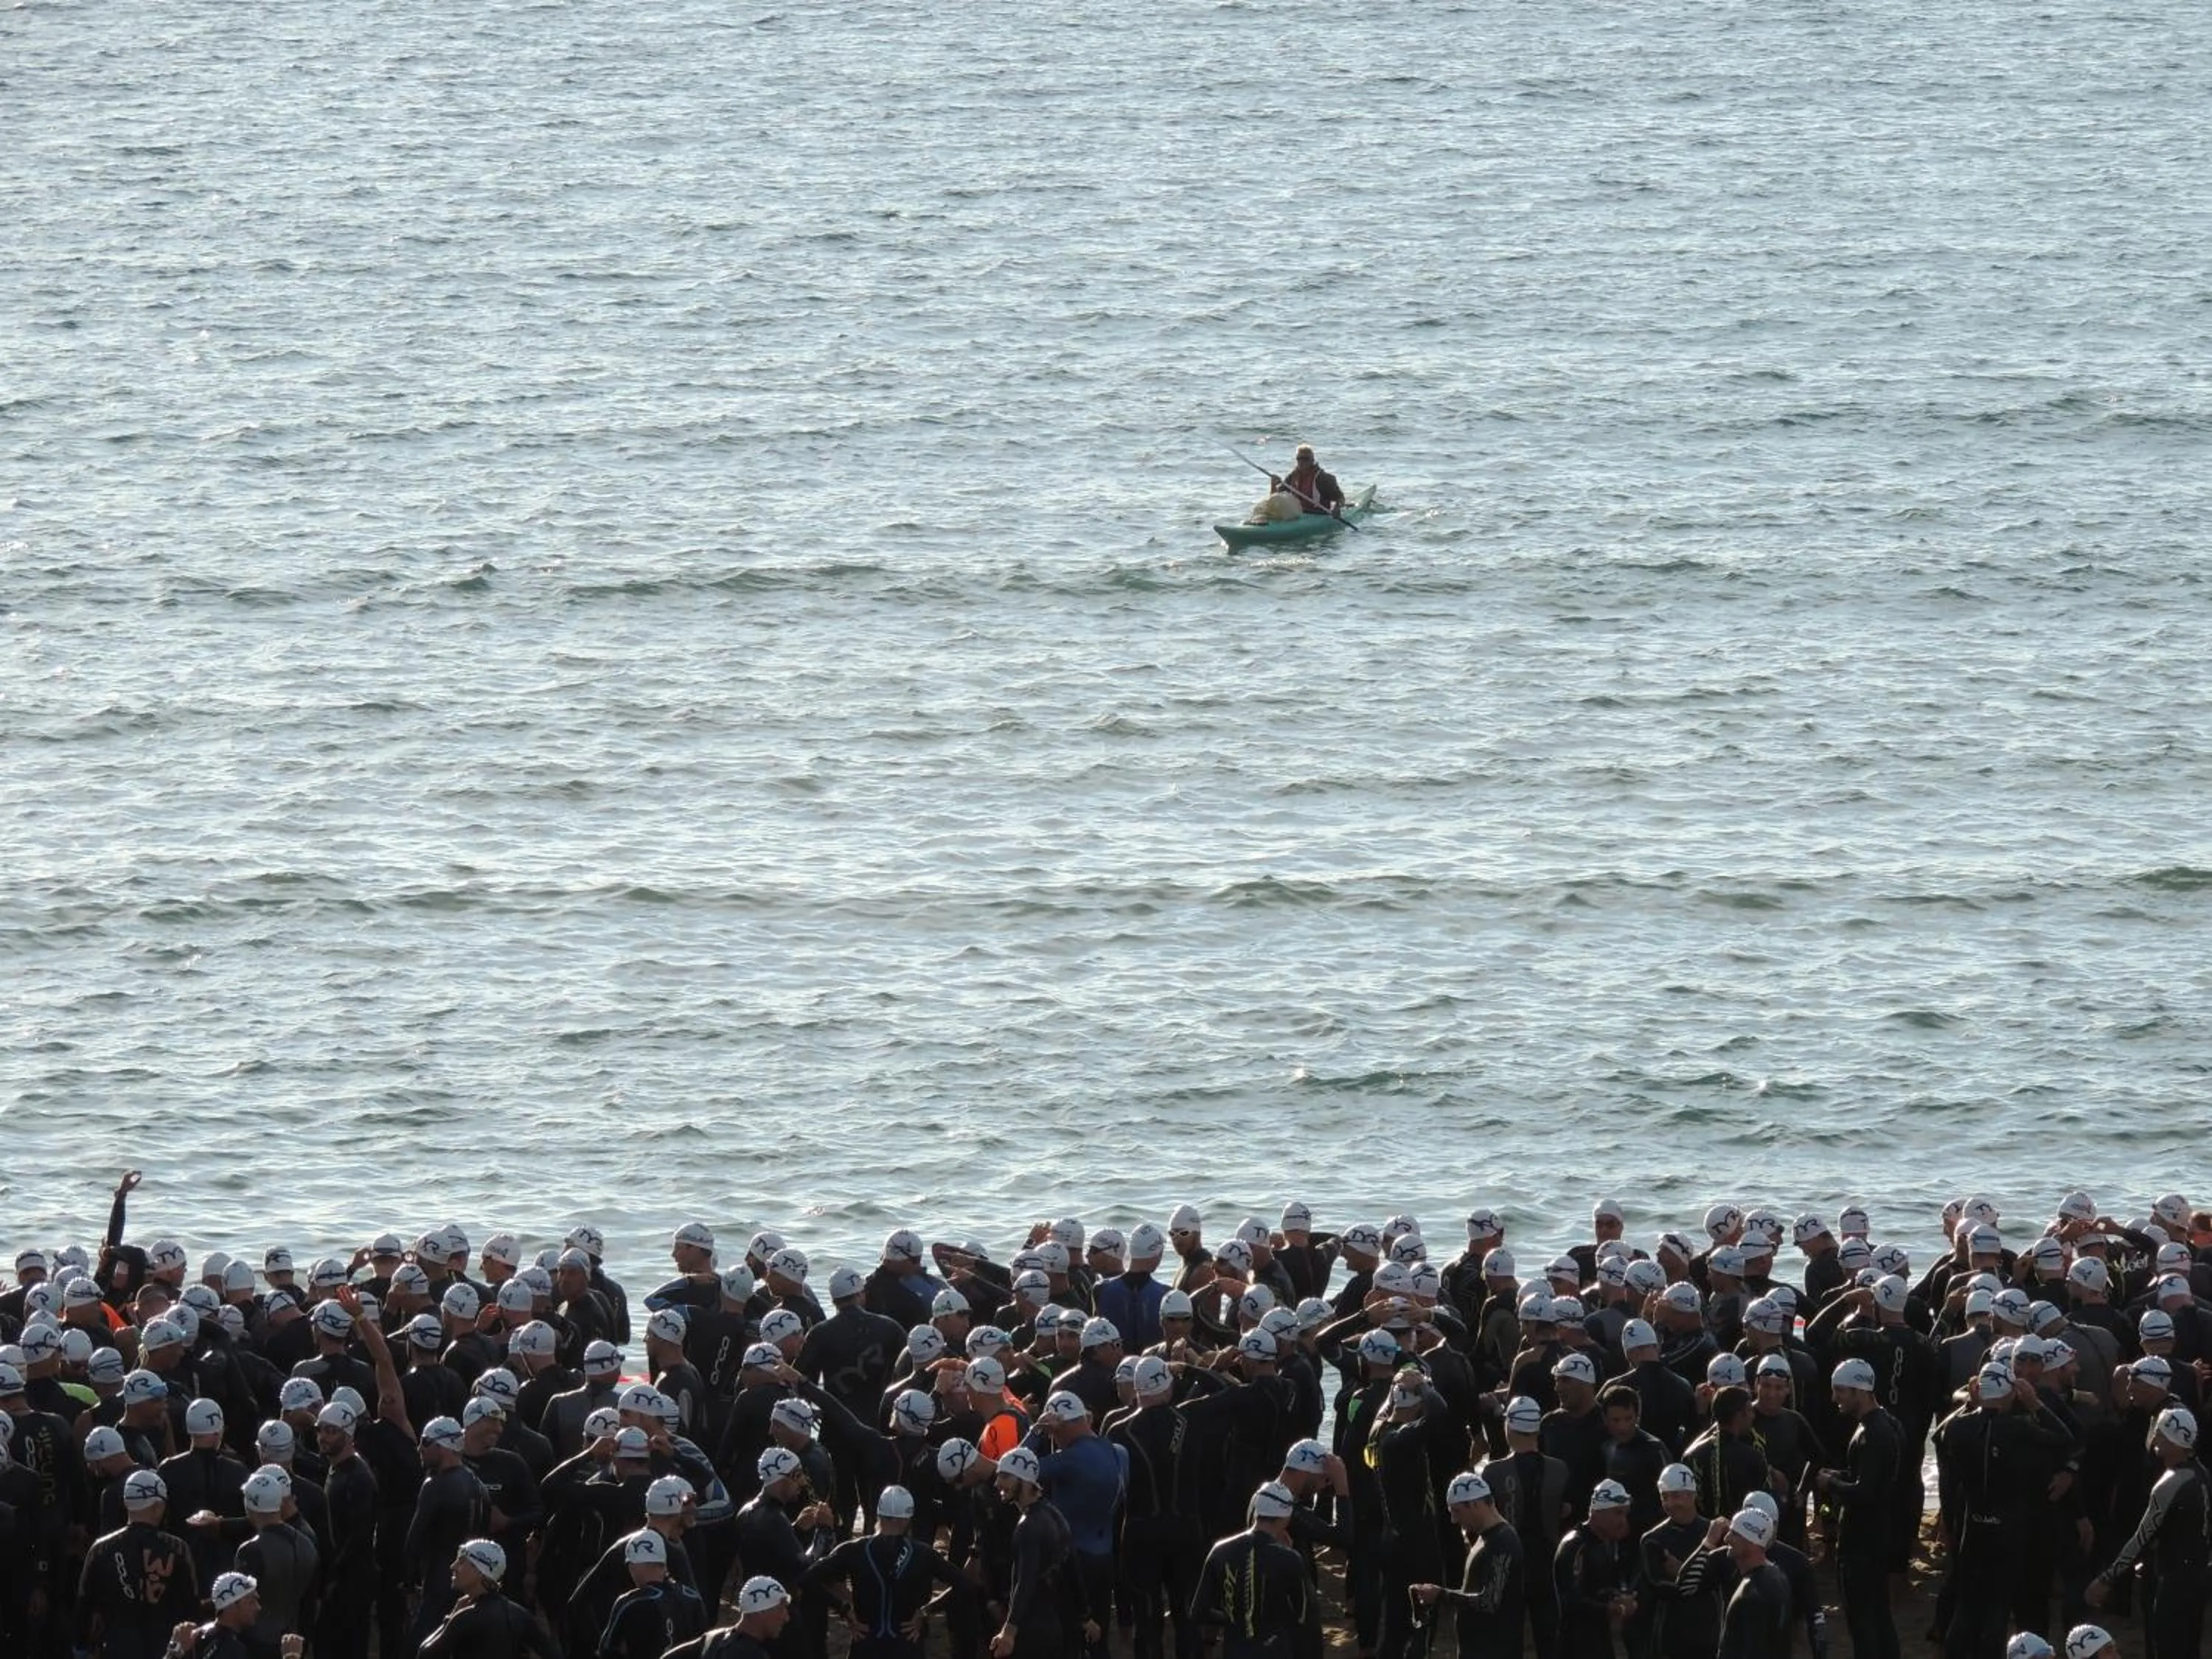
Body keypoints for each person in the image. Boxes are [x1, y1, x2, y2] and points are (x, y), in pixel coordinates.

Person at [2086, 1406, 2207, 1659]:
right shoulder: (2203, 1475)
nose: (2155, 1439)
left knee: (2167, 1648)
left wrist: (2107, 1578)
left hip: (2174, 1580)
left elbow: (2141, 1537)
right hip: (2198, 1578)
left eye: (2161, 1434)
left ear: (2175, 1441)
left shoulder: (2171, 1482)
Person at [803, 1485, 961, 1659]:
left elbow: (807, 1579)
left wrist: (844, 1609)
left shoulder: (852, 1550)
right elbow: (965, 1586)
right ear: (908, 1518)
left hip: (866, 1644)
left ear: (878, 1514)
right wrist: (927, 1611)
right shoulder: (924, 1554)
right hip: (907, 1645)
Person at [1410, 1471, 1524, 1659]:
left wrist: (1441, 1595)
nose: (1454, 1520)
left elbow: (1490, 1601)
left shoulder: (1503, 1543)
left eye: (1457, 1511)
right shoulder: (1485, 1538)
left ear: (1475, 1504)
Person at [1192, 1482, 1311, 1659]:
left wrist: (1234, 1618)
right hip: (1275, 1649)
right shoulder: (1290, 1558)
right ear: (1286, 1516)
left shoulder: (1220, 1551)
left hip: (1236, 1650)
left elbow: (1198, 1612)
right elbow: (1302, 1615)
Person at [1265, 447, 1346, 520]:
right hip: (1298, 514)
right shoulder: (1292, 476)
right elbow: (1274, 500)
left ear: (1312, 460)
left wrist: (1337, 507)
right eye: (1299, 458)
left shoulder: (1323, 478)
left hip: (1318, 514)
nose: (1302, 462)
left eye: (1305, 459)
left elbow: (1341, 498)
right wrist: (1273, 485)